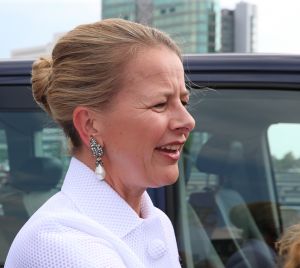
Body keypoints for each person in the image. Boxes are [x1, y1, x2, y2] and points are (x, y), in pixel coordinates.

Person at [4, 18, 195, 267]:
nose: (187, 120)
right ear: (90, 125)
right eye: (160, 104)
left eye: (184, 102)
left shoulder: (154, 220)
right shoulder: (59, 244)